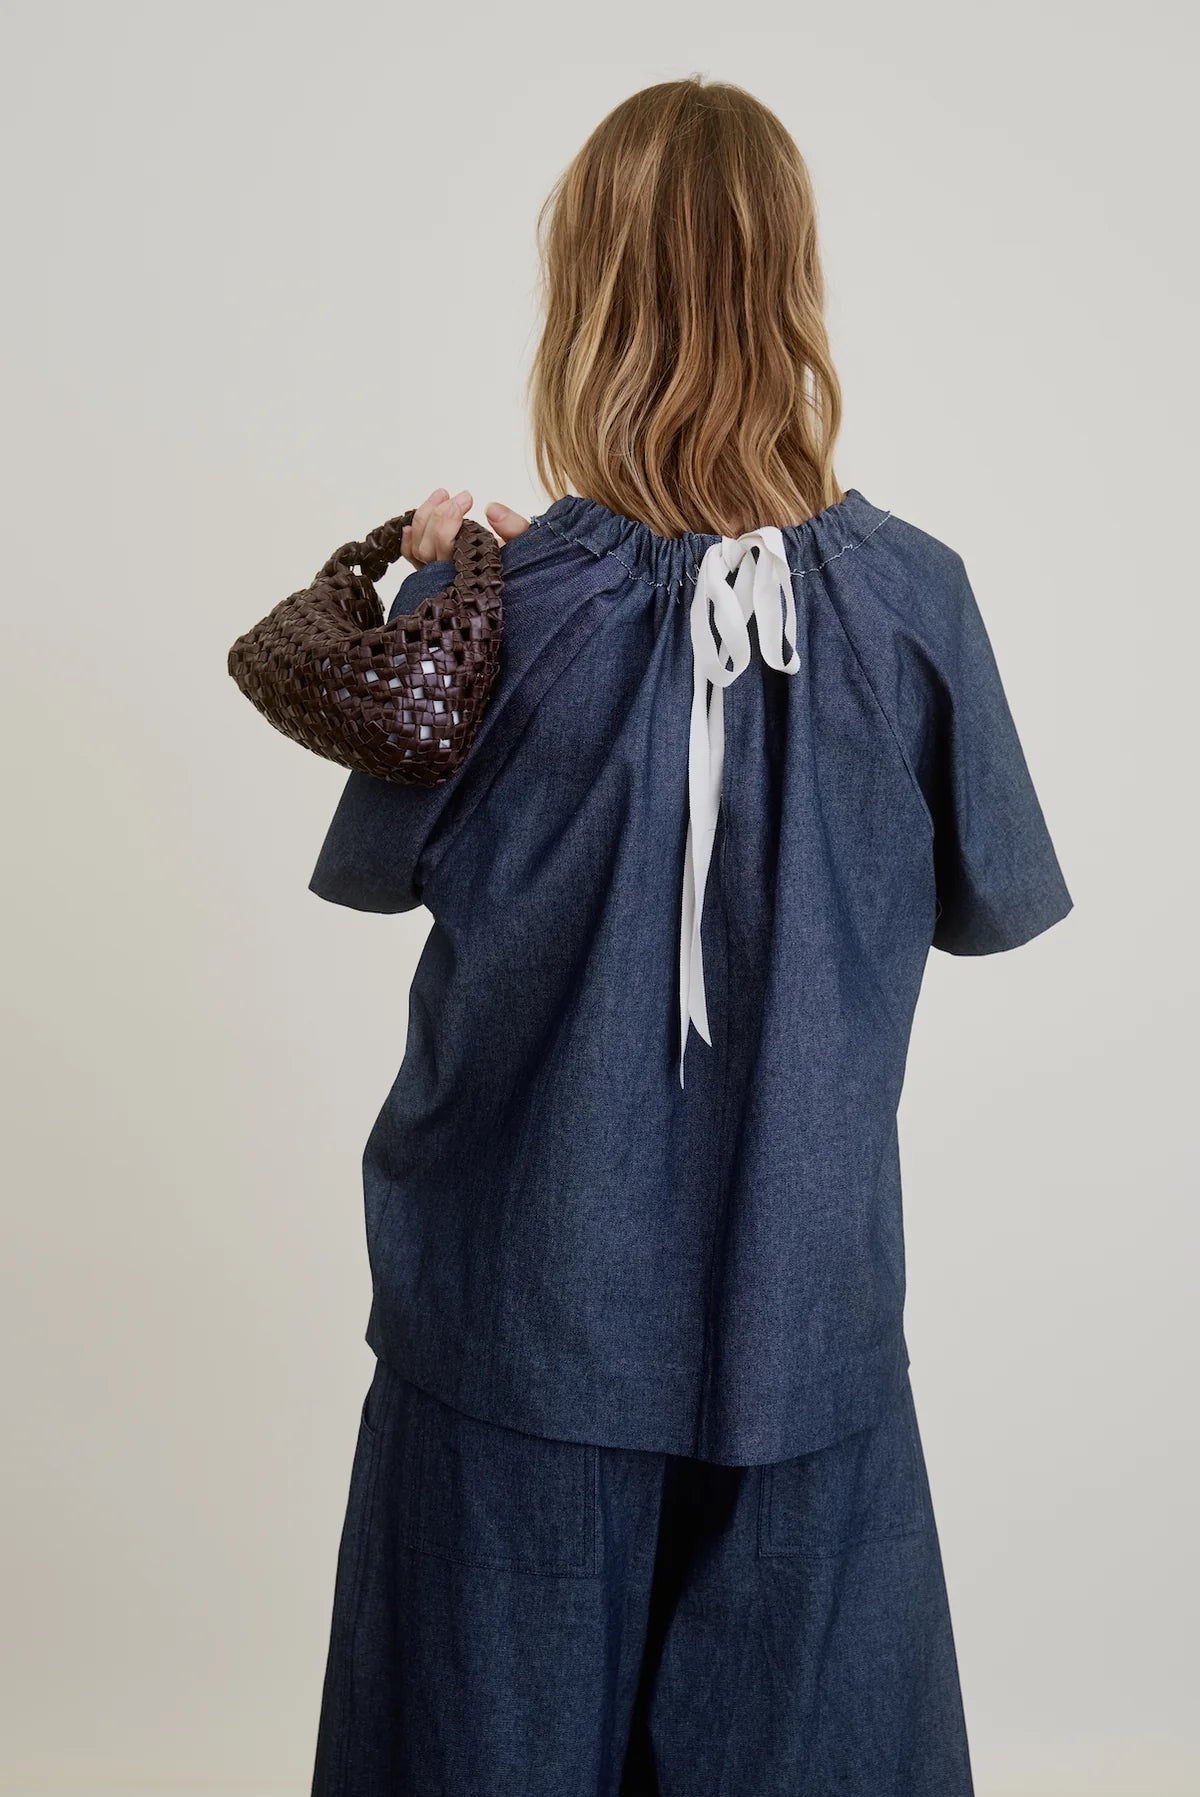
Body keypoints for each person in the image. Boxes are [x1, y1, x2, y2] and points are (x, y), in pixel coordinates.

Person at [305, 77, 1072, 1797]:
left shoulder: (489, 613)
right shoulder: (916, 606)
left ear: (584, 296)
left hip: (512, 1325)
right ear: (795, 290)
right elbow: (991, 899)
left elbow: (376, 866)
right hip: (806, 1338)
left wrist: (466, 593)